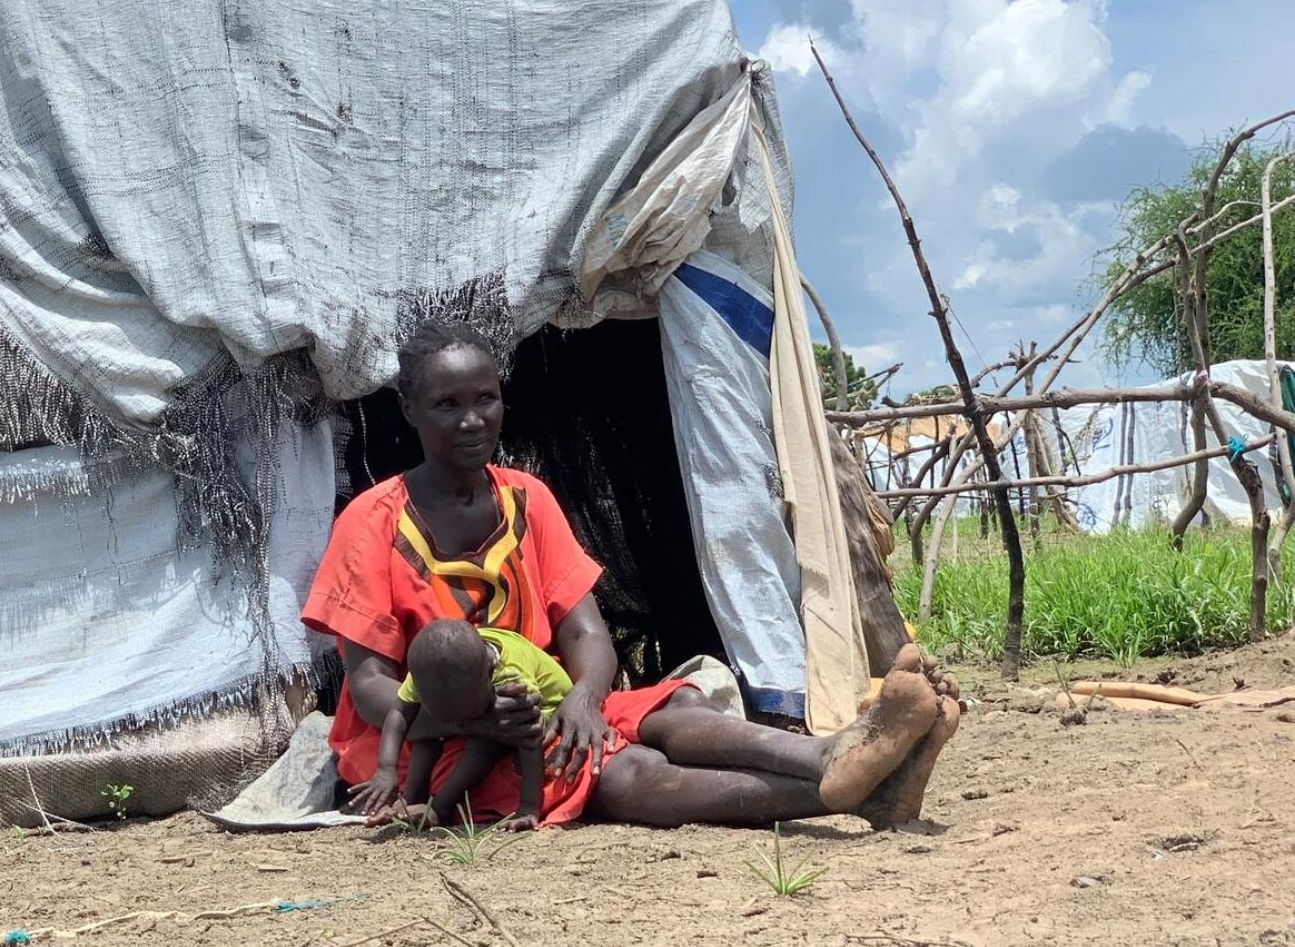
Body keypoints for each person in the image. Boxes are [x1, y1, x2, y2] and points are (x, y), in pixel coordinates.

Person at [304, 320, 961, 829]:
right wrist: (472, 720)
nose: (472, 419)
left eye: (486, 398)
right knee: (620, 772)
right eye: (447, 404)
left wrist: (582, 699)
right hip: (429, 741)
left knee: (671, 705)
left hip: (533, 704)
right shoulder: (372, 522)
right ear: (411, 411)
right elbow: (367, 686)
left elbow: (586, 633)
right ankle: (847, 795)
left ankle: (831, 755)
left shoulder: (524, 499)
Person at [357, 618, 572, 830]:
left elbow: (529, 736)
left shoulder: (512, 676)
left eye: (467, 715)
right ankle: (411, 802)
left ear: (489, 674)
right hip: (488, 706)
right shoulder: (429, 672)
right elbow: (399, 713)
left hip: (546, 709)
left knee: (484, 742)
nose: (461, 724)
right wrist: (386, 770)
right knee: (425, 734)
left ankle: (441, 807)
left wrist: (528, 808)